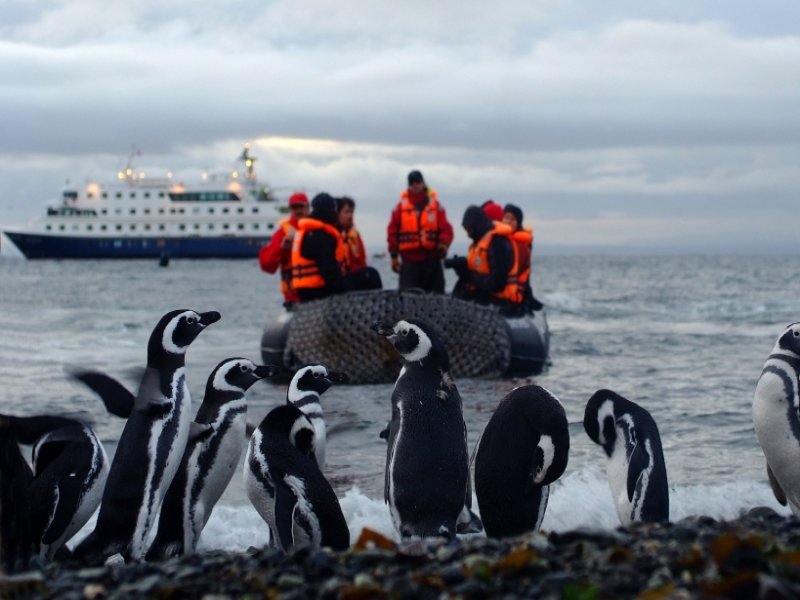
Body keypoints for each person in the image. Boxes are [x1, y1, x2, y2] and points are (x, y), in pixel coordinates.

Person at [292, 193, 381, 303]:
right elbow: (330, 274)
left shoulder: (308, 232)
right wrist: (349, 291)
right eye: (334, 210)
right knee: (370, 275)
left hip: (306, 291)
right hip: (317, 292)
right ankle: (375, 312)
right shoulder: (320, 236)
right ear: (328, 210)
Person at [386, 170, 453, 293]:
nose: (415, 185)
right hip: (409, 263)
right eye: (411, 182)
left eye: (418, 181)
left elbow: (446, 229)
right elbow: (392, 232)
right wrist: (394, 256)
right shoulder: (400, 208)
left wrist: (444, 244)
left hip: (432, 260)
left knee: (438, 299)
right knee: (408, 300)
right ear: (408, 186)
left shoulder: (436, 206)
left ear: (423, 183)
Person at [444, 205, 521, 311]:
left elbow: (498, 284)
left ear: (477, 226)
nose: (468, 235)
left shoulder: (496, 243)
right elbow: (478, 273)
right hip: (484, 295)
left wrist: (470, 276)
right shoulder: (478, 243)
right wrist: (462, 268)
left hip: (500, 300)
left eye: (469, 230)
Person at [258, 192, 310, 308]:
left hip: (317, 295)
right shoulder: (282, 233)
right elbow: (266, 265)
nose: (298, 211)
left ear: (308, 207)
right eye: (294, 207)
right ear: (290, 209)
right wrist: (281, 248)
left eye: (301, 206)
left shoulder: (315, 230)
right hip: (294, 299)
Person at [502, 203, 542, 312]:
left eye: (513, 219)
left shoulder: (522, 244)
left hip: (514, 294)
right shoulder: (497, 240)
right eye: (506, 217)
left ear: (518, 223)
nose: (509, 221)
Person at [338, 196, 367, 272]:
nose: (350, 216)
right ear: (338, 213)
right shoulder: (334, 235)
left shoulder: (355, 235)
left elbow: (362, 260)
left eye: (351, 212)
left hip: (355, 277)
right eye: (346, 212)